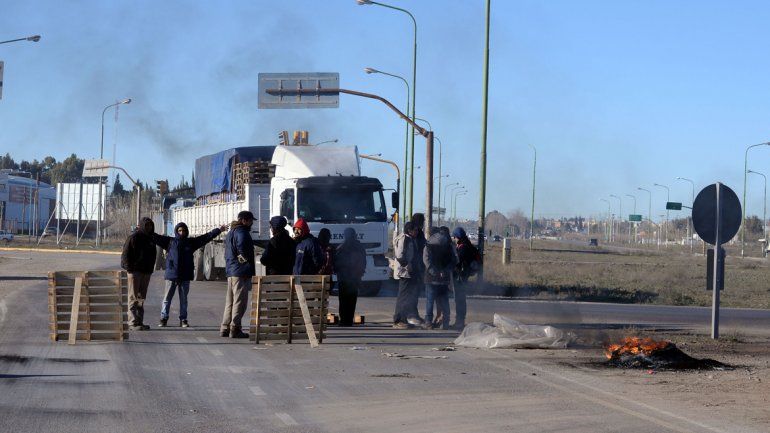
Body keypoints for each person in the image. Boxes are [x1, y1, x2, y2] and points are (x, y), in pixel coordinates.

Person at [152, 222, 226, 328]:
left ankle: (183, 320)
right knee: (167, 299)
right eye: (179, 230)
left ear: (186, 231)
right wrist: (142, 230)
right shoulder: (170, 242)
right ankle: (164, 318)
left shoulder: (191, 243)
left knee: (184, 300)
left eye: (184, 230)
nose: (182, 233)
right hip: (172, 276)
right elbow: (155, 237)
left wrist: (218, 230)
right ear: (176, 231)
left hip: (185, 276)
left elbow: (206, 237)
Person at [222, 211, 255, 339]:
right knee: (240, 303)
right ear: (244, 220)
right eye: (251, 220)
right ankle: (235, 328)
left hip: (231, 271)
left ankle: (225, 327)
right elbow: (242, 252)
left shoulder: (232, 231)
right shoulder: (242, 232)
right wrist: (246, 266)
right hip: (240, 272)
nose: (252, 223)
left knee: (230, 301)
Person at [121, 217, 157, 331]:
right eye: (147, 226)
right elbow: (125, 255)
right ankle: (132, 322)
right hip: (135, 272)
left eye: (150, 225)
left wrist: (150, 269)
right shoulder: (134, 237)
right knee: (133, 297)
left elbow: (153, 256)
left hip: (146, 272)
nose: (149, 228)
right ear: (142, 226)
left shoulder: (150, 239)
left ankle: (139, 321)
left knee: (141, 298)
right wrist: (130, 269)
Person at [423, 226, 458, 330]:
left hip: (431, 278)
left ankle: (428, 322)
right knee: (444, 300)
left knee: (430, 301)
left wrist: (434, 272)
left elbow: (426, 260)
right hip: (444, 278)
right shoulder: (449, 245)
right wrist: (445, 271)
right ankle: (445, 322)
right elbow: (454, 260)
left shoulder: (428, 245)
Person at [334, 227, 367, 326]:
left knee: (343, 299)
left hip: (343, 278)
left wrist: (337, 271)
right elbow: (363, 261)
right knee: (352, 299)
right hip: (355, 277)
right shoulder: (360, 246)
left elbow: (336, 262)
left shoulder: (341, 247)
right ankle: (349, 320)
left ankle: (343, 319)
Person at [393, 221, 421, 328]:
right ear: (409, 230)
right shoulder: (404, 239)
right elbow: (399, 255)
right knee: (403, 297)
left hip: (408, 272)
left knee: (408, 296)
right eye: (415, 230)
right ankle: (398, 320)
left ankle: (404, 318)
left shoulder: (410, 239)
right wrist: (407, 265)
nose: (417, 232)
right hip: (404, 272)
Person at [452, 227, 477, 329]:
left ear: (458, 237)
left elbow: (457, 261)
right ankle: (460, 321)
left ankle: (460, 322)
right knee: (460, 299)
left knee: (460, 299)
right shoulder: (467, 245)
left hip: (461, 277)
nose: (454, 238)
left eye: (455, 237)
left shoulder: (463, 247)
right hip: (463, 276)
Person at [408, 213, 427, 326]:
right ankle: (412, 314)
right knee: (413, 292)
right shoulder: (416, 232)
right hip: (416, 266)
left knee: (414, 292)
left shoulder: (414, 230)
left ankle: (413, 313)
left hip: (417, 265)